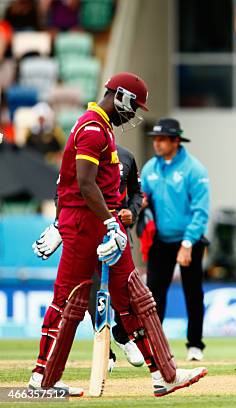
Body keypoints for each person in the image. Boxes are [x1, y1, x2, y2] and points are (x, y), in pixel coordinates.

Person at [27, 72, 206, 397]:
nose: (134, 113)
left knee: (135, 299)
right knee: (68, 299)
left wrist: (110, 223)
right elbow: (84, 184)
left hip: (96, 224)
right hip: (87, 225)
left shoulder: (99, 126)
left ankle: (163, 374)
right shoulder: (93, 128)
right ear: (120, 96)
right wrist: (110, 224)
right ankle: (42, 378)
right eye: (134, 105)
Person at [33, 143, 146, 371]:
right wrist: (61, 226)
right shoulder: (78, 155)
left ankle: (122, 335)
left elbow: (137, 193)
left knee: (127, 290)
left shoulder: (126, 156)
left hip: (116, 234)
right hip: (86, 234)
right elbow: (61, 194)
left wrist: (131, 212)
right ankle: (105, 349)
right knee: (93, 294)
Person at [140, 118, 210, 362]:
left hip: (189, 240)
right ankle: (155, 343)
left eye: (162, 139)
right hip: (160, 240)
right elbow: (141, 198)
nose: (157, 144)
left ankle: (195, 345)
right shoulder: (150, 168)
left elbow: (201, 211)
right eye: (155, 140)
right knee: (154, 294)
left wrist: (188, 243)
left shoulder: (194, 169)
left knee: (193, 293)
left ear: (175, 141)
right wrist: (141, 205)